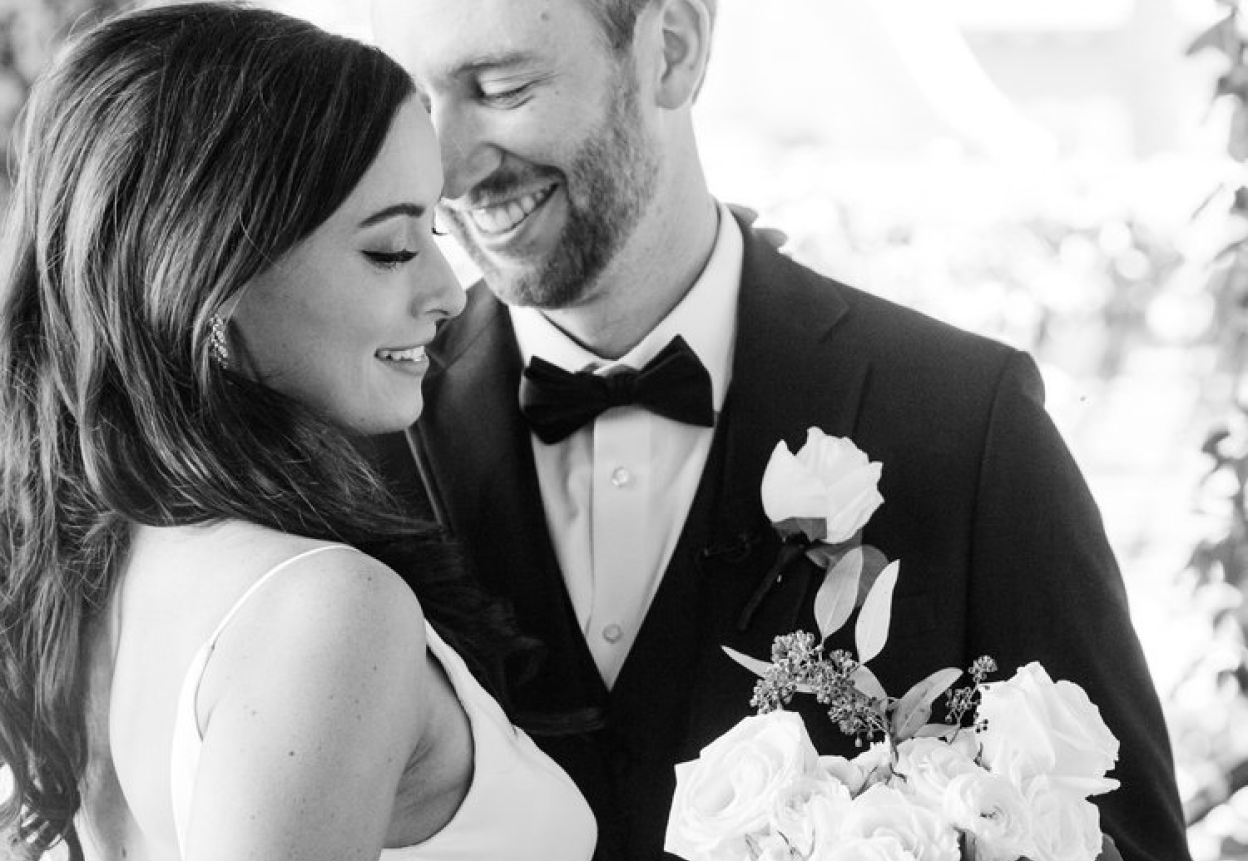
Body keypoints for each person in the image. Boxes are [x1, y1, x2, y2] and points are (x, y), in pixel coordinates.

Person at [369, 1, 1193, 860]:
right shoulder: (356, 437)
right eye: (420, 105)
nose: (450, 169)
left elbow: (1126, 838)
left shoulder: (965, 419)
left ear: (673, 50)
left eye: (501, 86)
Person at [0, 4, 597, 860]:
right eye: (392, 248)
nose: (450, 291)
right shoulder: (328, 610)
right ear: (215, 276)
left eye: (434, 229)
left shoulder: (90, 579)